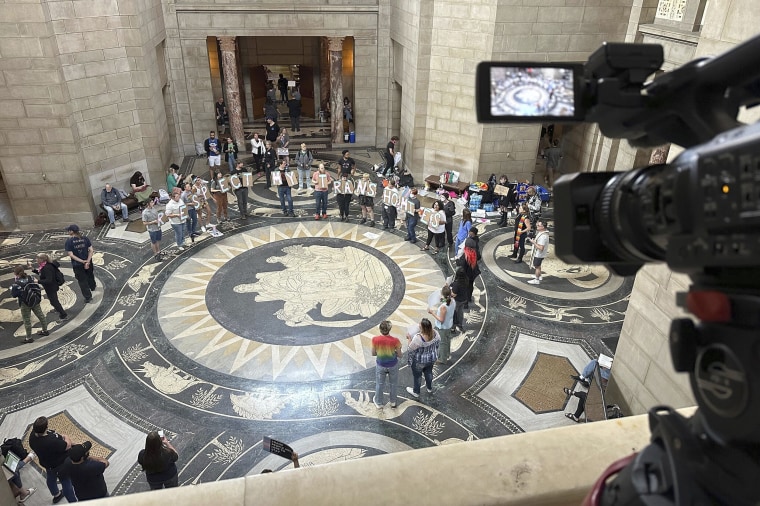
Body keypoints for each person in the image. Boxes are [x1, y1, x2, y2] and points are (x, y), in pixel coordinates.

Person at [28, 416, 78, 503]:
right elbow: (67, 445)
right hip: (60, 465)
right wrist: (66, 437)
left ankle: (56, 494)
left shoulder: (32, 437)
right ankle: (73, 502)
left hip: (47, 463)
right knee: (66, 482)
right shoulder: (50, 442)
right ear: (46, 427)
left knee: (51, 478)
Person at [11, 266, 49, 344]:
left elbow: (14, 295)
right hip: (35, 300)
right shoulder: (31, 277)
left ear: (15, 274)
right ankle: (45, 330)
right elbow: (37, 286)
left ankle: (29, 337)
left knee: (27, 320)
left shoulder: (17, 284)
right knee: (40, 315)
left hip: (24, 303)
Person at [405, 318, 440, 398]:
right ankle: (429, 388)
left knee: (417, 376)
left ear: (422, 328)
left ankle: (416, 392)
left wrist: (409, 339)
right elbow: (437, 344)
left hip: (419, 361)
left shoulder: (418, 338)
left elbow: (410, 349)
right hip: (431, 358)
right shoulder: (436, 333)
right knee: (429, 373)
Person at [371, 320, 402, 408]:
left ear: (380, 329)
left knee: (379, 384)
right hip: (393, 365)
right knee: (393, 384)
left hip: (381, 365)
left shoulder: (375, 340)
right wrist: (394, 353)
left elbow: (373, 353)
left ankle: (379, 402)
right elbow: (400, 355)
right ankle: (393, 402)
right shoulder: (396, 340)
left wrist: (381, 353)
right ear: (389, 329)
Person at [65, 224, 96, 303]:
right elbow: (91, 250)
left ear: (71, 231)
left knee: (82, 281)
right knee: (90, 274)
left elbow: (71, 255)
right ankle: (92, 286)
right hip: (88, 262)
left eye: (69, 230)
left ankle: (88, 297)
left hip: (78, 264)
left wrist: (82, 261)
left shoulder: (69, 241)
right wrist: (88, 261)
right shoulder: (85, 238)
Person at [33, 253, 67, 321]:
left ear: (42, 259)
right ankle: (57, 309)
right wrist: (32, 269)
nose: (36, 260)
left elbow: (49, 280)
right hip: (52, 286)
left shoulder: (46, 268)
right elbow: (42, 274)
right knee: (54, 300)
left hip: (51, 287)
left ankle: (63, 315)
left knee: (54, 302)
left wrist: (38, 281)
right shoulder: (45, 266)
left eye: (37, 258)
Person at [428, 285, 455, 364]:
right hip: (449, 324)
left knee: (442, 343)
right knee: (447, 340)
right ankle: (447, 354)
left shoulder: (443, 307)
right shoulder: (452, 300)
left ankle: (442, 359)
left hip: (443, 327)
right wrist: (442, 299)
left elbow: (441, 320)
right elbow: (447, 301)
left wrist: (432, 313)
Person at [457, 238, 481, 307]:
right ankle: (469, 298)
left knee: (465, 288)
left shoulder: (465, 256)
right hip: (473, 272)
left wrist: (457, 260)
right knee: (470, 285)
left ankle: (465, 303)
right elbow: (479, 257)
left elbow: (462, 265)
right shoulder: (475, 252)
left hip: (466, 274)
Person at [527, 220, 549, 284]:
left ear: (543, 227)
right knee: (538, 266)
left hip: (539, 254)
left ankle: (536, 280)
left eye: (538, 226)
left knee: (537, 267)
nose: (537, 226)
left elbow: (541, 248)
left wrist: (534, 243)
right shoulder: (542, 232)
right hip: (539, 254)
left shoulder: (543, 236)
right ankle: (539, 276)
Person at [449, 268, 469, 334]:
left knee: (454, 314)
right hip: (464, 299)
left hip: (457, 301)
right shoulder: (466, 280)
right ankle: (460, 325)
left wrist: (449, 289)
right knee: (460, 313)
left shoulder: (457, 284)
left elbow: (453, 294)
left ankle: (453, 328)